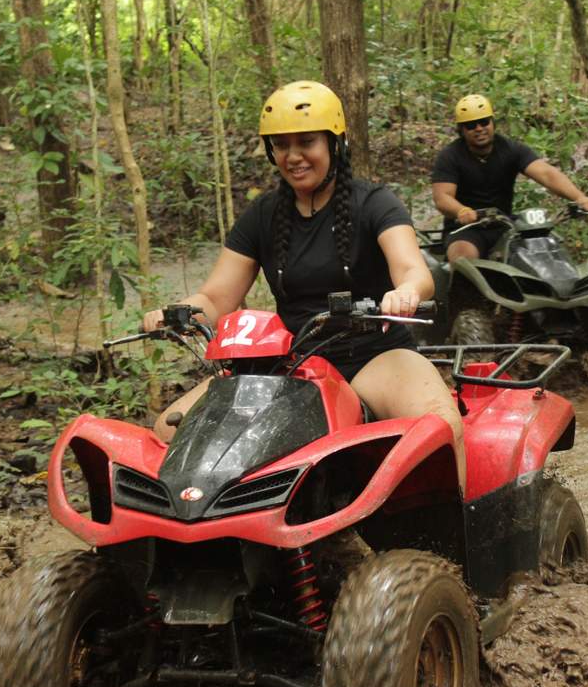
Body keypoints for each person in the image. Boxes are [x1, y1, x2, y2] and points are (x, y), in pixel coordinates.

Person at [142, 81, 467, 492]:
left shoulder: (375, 202)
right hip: (289, 366)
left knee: (440, 422)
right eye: (281, 145)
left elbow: (413, 271)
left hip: (372, 354)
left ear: (335, 144)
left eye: (306, 142)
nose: (293, 157)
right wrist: (175, 312)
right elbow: (216, 298)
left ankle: (457, 547)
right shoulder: (262, 215)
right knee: (171, 429)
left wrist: (405, 292)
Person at [431, 94, 588, 263]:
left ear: (492, 122)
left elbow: (546, 174)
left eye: (484, 122)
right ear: (461, 130)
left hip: (506, 226)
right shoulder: (450, 156)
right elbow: (442, 197)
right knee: (463, 260)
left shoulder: (510, 149)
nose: (479, 128)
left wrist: (579, 197)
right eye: (470, 125)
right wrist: (461, 211)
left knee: (548, 248)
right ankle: (463, 288)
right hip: (466, 229)